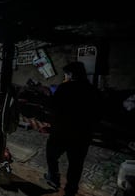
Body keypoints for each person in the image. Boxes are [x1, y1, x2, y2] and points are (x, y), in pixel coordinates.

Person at [44, 61, 101, 196]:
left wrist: (48, 95)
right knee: (76, 165)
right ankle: (70, 190)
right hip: (83, 135)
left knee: (51, 155)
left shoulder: (64, 88)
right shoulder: (93, 90)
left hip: (62, 132)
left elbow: (53, 107)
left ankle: (53, 177)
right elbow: (98, 114)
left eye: (66, 74)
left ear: (71, 74)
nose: (65, 77)